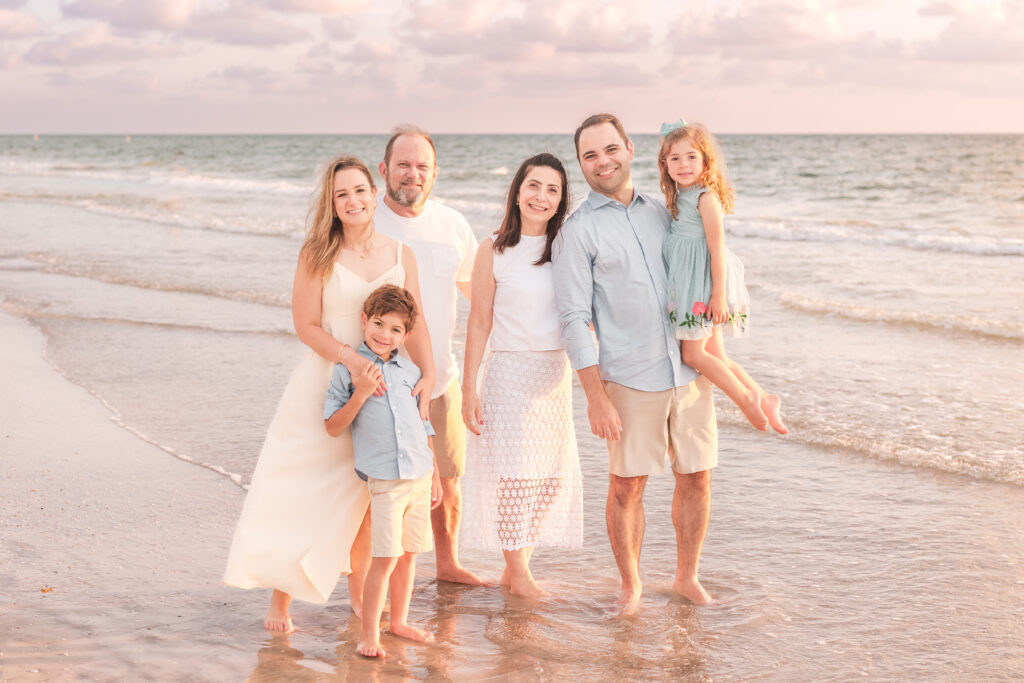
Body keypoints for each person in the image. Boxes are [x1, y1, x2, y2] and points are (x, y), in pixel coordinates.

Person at [223, 155, 435, 633]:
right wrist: (351, 358)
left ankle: (361, 597)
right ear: (333, 204)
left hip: (386, 394)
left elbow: (415, 325)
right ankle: (281, 600)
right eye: (342, 194)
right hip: (326, 380)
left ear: (375, 193)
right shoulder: (316, 253)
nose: (353, 200)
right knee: (304, 492)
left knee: (368, 496)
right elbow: (306, 326)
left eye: (360, 190)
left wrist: (430, 374)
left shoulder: (403, 256)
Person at [552, 114, 718, 615]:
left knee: (698, 476)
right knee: (628, 485)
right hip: (628, 376)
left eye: (610, 149)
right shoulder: (576, 232)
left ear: (629, 148)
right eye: (590, 155)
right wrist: (594, 396)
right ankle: (632, 586)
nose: (603, 161)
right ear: (581, 164)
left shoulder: (665, 210)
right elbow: (575, 318)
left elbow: (701, 261)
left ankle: (687, 577)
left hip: (688, 367)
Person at [460, 153, 583, 598]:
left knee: (548, 479)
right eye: (534, 186)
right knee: (515, 477)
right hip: (509, 372)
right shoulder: (493, 249)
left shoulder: (567, 247)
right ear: (517, 191)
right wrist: (467, 387)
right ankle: (518, 572)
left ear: (561, 199)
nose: (541, 196)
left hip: (554, 375)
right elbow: (478, 321)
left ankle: (517, 570)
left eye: (552, 189)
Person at [374, 124, 488, 586]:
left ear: (435, 174)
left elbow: (478, 294)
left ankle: (448, 565)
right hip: (381, 381)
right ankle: (366, 578)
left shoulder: (453, 225)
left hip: (441, 377)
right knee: (378, 486)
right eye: (403, 164)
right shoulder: (368, 222)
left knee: (449, 478)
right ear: (384, 170)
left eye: (422, 166)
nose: (412, 174)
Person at [324, 284, 442, 658]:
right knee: (386, 557)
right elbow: (332, 425)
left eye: (395, 329)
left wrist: (436, 474)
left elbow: (423, 424)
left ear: (406, 336)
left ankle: (400, 621)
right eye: (378, 323)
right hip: (386, 480)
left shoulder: (411, 371)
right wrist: (360, 392)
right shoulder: (350, 370)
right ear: (364, 320)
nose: (384, 334)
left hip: (420, 477)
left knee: (409, 554)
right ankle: (369, 633)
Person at [658, 120, 787, 434]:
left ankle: (745, 401)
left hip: (702, 287)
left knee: (693, 354)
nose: (683, 164)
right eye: (675, 158)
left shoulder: (705, 199)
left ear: (705, 161)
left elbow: (717, 251)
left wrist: (717, 296)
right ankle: (765, 397)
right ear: (665, 164)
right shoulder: (678, 196)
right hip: (688, 284)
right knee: (716, 354)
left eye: (691, 157)